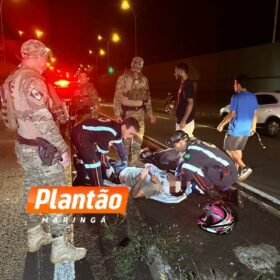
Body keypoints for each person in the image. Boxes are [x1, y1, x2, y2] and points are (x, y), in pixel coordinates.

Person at [2, 39, 86, 263]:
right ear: (36, 56)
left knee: (32, 190)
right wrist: (62, 149)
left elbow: (10, 118)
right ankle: (60, 248)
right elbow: (43, 121)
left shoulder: (12, 79)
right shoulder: (31, 80)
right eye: (44, 57)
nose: (46, 62)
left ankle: (34, 235)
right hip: (42, 149)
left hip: (24, 145)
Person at [167, 130, 244, 207]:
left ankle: (214, 196)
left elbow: (187, 174)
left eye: (175, 145)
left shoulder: (193, 152)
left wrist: (176, 189)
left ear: (181, 143)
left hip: (227, 175)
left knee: (195, 172)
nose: (175, 148)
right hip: (228, 170)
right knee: (191, 166)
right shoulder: (195, 143)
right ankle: (229, 193)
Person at [71, 116, 140, 186]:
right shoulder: (111, 132)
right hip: (80, 134)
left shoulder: (117, 129)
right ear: (124, 127)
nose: (131, 136)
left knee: (87, 163)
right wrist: (108, 167)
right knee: (95, 164)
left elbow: (120, 147)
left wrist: (125, 161)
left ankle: (76, 185)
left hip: (82, 133)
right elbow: (101, 154)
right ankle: (98, 190)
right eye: (131, 133)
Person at [114, 57, 156, 166]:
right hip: (128, 113)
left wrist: (151, 114)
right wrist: (117, 113)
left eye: (139, 65)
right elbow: (117, 97)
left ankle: (135, 160)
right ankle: (124, 162)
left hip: (140, 113)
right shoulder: (123, 78)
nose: (137, 68)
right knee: (126, 140)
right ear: (133, 65)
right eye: (136, 65)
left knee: (138, 138)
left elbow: (147, 97)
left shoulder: (144, 79)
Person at [217, 74, 259, 181]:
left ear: (238, 85)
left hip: (236, 128)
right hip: (246, 129)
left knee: (229, 148)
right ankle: (236, 171)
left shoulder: (236, 97)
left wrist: (221, 124)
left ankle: (244, 167)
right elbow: (255, 114)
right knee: (238, 149)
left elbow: (231, 114)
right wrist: (253, 128)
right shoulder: (252, 96)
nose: (233, 86)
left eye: (234, 84)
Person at [174, 63, 196, 137]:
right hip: (180, 121)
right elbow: (182, 102)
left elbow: (190, 103)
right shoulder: (183, 84)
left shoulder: (188, 84)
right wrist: (174, 109)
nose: (174, 74)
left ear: (181, 71)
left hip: (185, 123)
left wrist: (184, 119)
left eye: (176, 71)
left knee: (183, 146)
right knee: (179, 146)